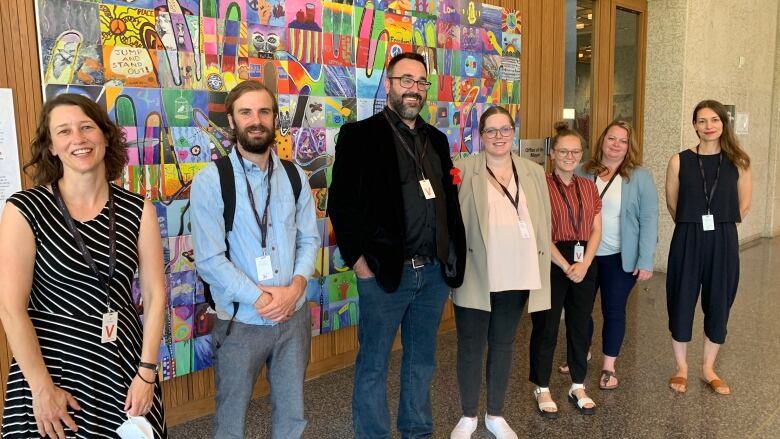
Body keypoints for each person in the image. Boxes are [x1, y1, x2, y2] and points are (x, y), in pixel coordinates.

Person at [0, 93, 167, 437]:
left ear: (105, 136)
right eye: (64, 131)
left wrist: (147, 372)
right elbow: (10, 308)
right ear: (51, 147)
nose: (78, 139)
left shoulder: (139, 210)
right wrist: (42, 388)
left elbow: (154, 294)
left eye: (86, 127)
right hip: (53, 368)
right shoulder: (25, 210)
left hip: (123, 365)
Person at [327, 52, 466, 438]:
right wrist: (358, 263)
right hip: (385, 272)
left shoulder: (436, 140)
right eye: (406, 80)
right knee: (373, 363)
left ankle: (416, 430)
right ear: (388, 84)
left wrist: (450, 254)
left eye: (421, 82)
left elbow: (447, 202)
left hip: (433, 273)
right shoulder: (359, 136)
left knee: (422, 360)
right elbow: (341, 204)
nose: (414, 89)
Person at [190, 80, 319, 438]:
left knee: (293, 413)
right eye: (246, 112)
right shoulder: (211, 182)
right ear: (231, 121)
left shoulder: (295, 177)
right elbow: (210, 261)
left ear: (275, 119)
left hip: (293, 318)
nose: (256, 120)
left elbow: (309, 239)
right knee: (231, 416)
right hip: (241, 322)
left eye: (264, 111)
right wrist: (262, 300)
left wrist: (294, 289)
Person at [449, 106, 551, 439]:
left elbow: (544, 224)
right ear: (480, 135)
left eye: (504, 129)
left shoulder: (533, 171)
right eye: (491, 131)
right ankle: (467, 416)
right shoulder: (463, 170)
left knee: (504, 344)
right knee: (470, 345)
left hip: (518, 275)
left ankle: (495, 414)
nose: (498, 136)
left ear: (513, 131)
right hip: (477, 274)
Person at [664, 99, 752, 395]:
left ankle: (708, 367)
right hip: (688, 236)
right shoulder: (679, 161)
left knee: (719, 300)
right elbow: (672, 202)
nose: (708, 126)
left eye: (714, 120)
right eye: (702, 121)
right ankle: (682, 367)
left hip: (724, 239)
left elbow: (744, 203)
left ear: (723, 123)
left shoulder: (739, 161)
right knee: (681, 298)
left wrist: (721, 224)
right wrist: (693, 223)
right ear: (694, 125)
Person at [572, 120, 658, 390]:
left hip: (620, 257)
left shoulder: (639, 177)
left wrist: (645, 260)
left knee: (613, 310)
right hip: (586, 255)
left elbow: (649, 218)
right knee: (580, 309)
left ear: (628, 147)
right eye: (611, 138)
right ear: (602, 140)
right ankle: (581, 354)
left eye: (622, 141)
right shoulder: (583, 171)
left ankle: (609, 365)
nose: (616, 145)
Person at [529, 122, 601, 417]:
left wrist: (583, 264)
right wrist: (564, 264)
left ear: (581, 154)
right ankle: (542, 387)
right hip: (551, 259)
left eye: (575, 151)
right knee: (546, 326)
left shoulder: (588, 185)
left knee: (580, 324)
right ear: (552, 154)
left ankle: (578, 384)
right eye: (563, 151)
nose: (569, 156)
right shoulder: (541, 185)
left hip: (584, 261)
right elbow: (538, 231)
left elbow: (597, 229)